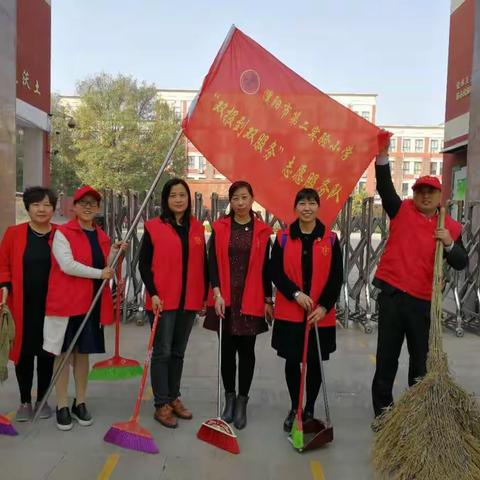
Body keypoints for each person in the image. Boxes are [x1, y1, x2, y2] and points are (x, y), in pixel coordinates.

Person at [371, 141, 468, 419]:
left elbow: (462, 262)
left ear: (440, 195)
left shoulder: (449, 226)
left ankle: (416, 416)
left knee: (420, 365)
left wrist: (449, 244)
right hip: (392, 297)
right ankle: (383, 415)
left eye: (431, 192)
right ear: (413, 194)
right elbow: (385, 186)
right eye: (420, 191)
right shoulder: (400, 210)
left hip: (424, 303)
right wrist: (382, 156)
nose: (425, 196)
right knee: (386, 360)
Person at [43, 185, 126, 431]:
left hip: (90, 305)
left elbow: (103, 266)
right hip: (66, 303)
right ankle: (61, 405)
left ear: (98, 208)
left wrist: (113, 253)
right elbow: (68, 265)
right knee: (62, 353)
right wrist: (101, 272)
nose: (88, 206)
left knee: (82, 354)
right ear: (74, 207)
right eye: (83, 202)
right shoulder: (62, 233)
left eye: (93, 203)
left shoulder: (101, 236)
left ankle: (80, 402)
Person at [270, 188, 343, 432]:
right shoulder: (282, 238)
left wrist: (323, 306)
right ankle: (295, 407)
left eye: (312, 203)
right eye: (302, 203)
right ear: (295, 208)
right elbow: (276, 273)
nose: (307, 208)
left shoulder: (331, 239)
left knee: (314, 362)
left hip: (319, 316)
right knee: (292, 361)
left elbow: (336, 277)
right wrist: (296, 294)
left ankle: (310, 408)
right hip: (291, 313)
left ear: (318, 207)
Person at [204, 180, 273, 430]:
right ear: (230, 202)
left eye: (245, 198)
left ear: (252, 199)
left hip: (251, 300)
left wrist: (268, 300)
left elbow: (266, 269)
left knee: (247, 353)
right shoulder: (221, 227)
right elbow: (211, 262)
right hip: (225, 300)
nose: (240, 203)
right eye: (236, 198)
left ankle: (242, 401)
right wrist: (216, 293)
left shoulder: (263, 232)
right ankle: (229, 398)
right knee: (226, 352)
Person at [139, 178, 207, 429]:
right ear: (165, 200)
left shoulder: (197, 228)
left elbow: (203, 264)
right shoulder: (153, 227)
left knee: (178, 352)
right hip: (162, 301)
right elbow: (143, 265)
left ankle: (174, 396)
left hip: (188, 301)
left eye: (182, 195)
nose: (179, 199)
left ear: (189, 199)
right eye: (173, 195)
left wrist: (203, 297)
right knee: (162, 352)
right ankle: (161, 404)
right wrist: (153, 292)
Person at [0, 187, 57, 422]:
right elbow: (3, 265)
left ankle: (43, 399)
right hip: (22, 305)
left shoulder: (62, 234)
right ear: (28, 208)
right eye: (36, 205)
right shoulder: (14, 233)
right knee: (23, 354)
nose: (41, 209)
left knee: (47, 353)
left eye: (46, 205)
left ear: (53, 208)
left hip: (53, 306)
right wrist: (4, 285)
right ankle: (25, 400)